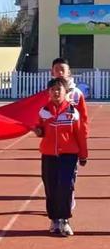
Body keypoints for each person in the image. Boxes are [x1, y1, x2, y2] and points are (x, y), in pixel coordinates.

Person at [35, 77, 88, 236]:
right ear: (48, 93)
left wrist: (83, 155)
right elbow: (41, 128)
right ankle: (54, 220)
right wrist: (39, 131)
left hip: (68, 155)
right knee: (50, 187)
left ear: (66, 92)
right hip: (49, 155)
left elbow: (80, 135)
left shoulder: (73, 112)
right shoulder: (44, 111)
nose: (56, 92)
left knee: (66, 186)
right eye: (53, 90)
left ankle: (64, 220)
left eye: (59, 89)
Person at [51, 58, 90, 210]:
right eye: (56, 69)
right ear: (52, 72)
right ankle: (55, 208)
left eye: (63, 69)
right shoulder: (48, 92)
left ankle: (66, 204)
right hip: (52, 145)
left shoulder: (76, 94)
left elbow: (84, 120)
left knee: (68, 178)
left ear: (69, 73)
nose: (60, 72)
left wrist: (83, 146)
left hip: (71, 144)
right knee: (52, 179)